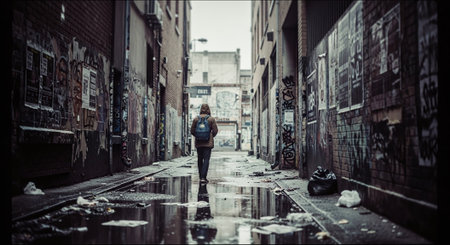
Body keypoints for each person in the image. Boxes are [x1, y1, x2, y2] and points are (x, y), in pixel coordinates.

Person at [190, 104, 218, 183]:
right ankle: (203, 177)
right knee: (206, 159)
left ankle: (200, 176)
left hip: (199, 143)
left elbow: (192, 131)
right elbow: (215, 131)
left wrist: (198, 136)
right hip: (208, 143)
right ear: (208, 109)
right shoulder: (211, 119)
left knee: (199, 159)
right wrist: (210, 136)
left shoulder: (196, 119)